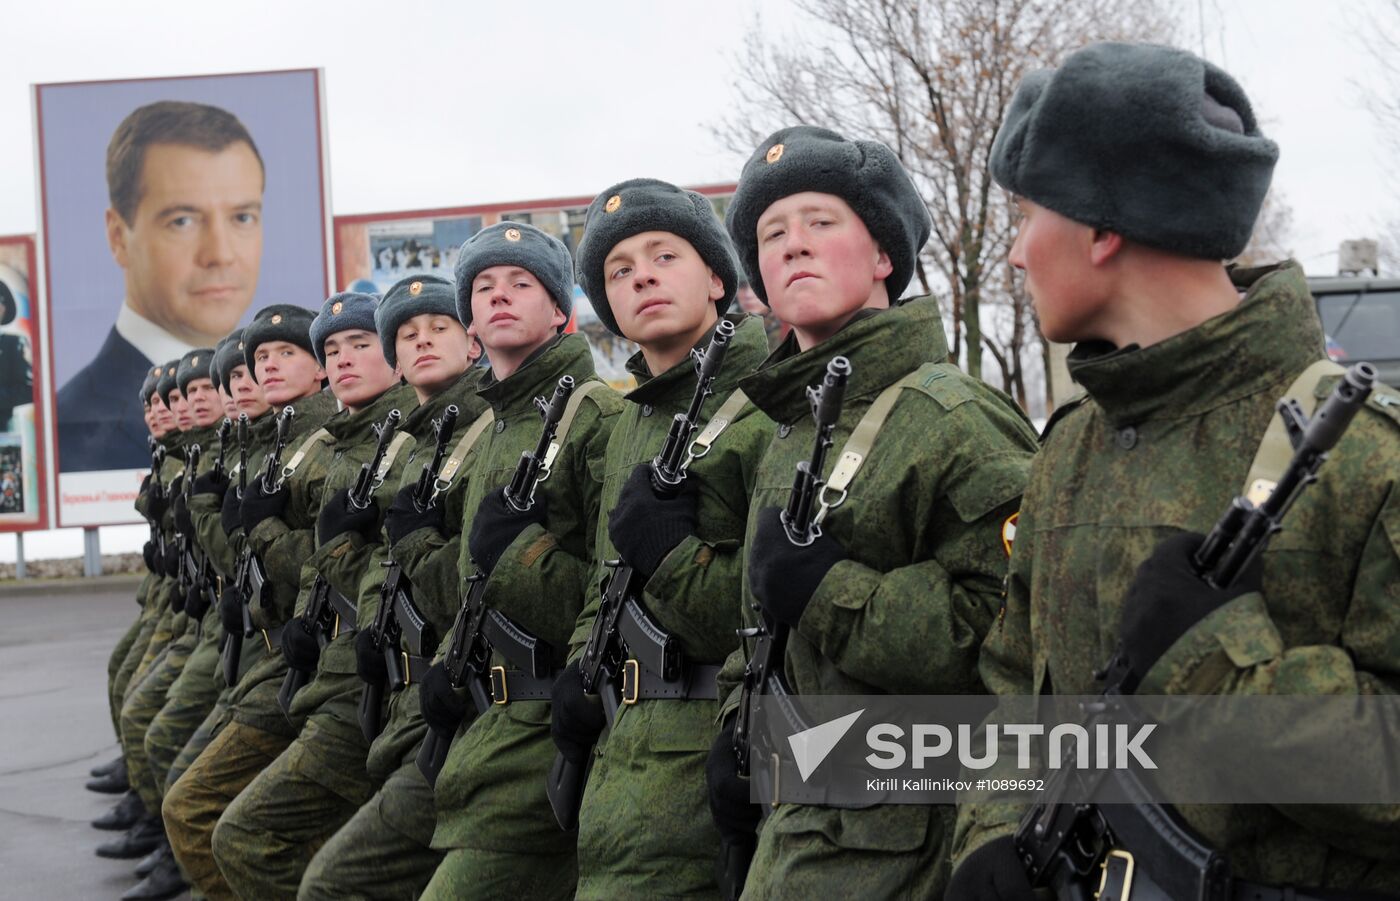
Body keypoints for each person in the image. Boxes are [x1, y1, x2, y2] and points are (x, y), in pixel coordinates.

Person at [949, 42, 1400, 899]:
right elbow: (1014, 685)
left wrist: (1218, 670)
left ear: (1101, 225)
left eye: (1024, 214)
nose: (1014, 253)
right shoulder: (1070, 448)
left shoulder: (1364, 455)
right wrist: (995, 834)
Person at [706, 125, 1039, 898]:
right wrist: (735, 720)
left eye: (821, 223)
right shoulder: (791, 426)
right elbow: (759, 612)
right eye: (772, 235)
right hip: (799, 821)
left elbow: (1013, 630)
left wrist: (833, 593)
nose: (793, 246)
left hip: (905, 841)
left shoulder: (952, 417)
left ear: (885, 254)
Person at [553, 178, 774, 897]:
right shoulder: (628, 424)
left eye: (664, 256)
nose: (641, 274)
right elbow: (605, 577)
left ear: (717, 277)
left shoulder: (770, 406)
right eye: (619, 271)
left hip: (710, 759)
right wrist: (581, 669)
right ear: (609, 307)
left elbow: (780, 612)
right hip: (623, 760)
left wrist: (673, 554)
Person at [416, 222, 623, 900]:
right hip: (487, 725)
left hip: (546, 727)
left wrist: (520, 551)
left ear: (561, 309)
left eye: (522, 283)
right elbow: (476, 580)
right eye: (483, 287)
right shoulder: (499, 424)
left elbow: (614, 596)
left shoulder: (593, 416)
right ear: (470, 321)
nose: (500, 295)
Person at [210, 290, 420, 898]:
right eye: (335, 347)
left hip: (376, 679)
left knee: (241, 829)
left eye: (362, 343)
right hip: (323, 668)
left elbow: (359, 566)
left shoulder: (387, 447)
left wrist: (266, 532)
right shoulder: (330, 444)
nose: (265, 370)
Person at [296, 273, 492, 900]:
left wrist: (335, 548)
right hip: (395, 685)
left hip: (468, 696)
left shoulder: (483, 433)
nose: (422, 341)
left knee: (333, 879)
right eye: (407, 334)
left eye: (439, 328)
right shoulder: (413, 443)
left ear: (473, 343)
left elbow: (472, 581)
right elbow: (383, 569)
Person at [163, 304, 338, 900]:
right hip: (268, 651)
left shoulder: (321, 445)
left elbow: (323, 565)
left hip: (312, 663)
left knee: (205, 811)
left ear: (318, 368)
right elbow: (240, 561)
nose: (258, 373)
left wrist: (220, 518)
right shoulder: (275, 446)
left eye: (284, 353)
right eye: (255, 361)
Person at [58, 100, 264, 472]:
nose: (220, 254)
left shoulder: (282, 396)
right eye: (182, 221)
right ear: (118, 237)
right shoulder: (70, 431)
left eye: (242, 217)